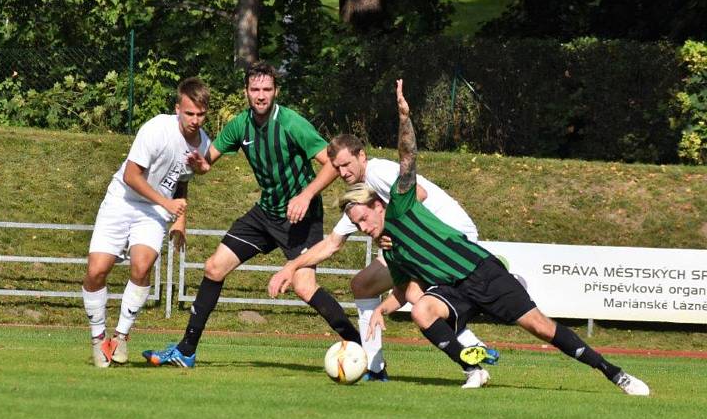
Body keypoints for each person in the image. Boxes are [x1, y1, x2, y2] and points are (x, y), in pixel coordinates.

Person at [338, 78, 650, 395]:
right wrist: (382, 309)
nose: (363, 228)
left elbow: (407, 159)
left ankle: (615, 374)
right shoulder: (390, 251)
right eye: (357, 225)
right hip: (454, 289)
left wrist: (405, 118)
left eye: (363, 218)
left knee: (541, 328)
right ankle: (473, 369)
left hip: (481, 272)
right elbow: (408, 291)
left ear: (378, 205)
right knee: (423, 310)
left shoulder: (400, 205)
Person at [143, 61, 361, 367]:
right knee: (214, 267)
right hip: (266, 212)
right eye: (255, 89)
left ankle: (359, 348)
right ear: (246, 91)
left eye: (267, 89)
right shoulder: (239, 125)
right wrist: (198, 164)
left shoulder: (291, 123)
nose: (261, 95)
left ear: (276, 91)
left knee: (303, 286)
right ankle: (186, 350)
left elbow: (333, 162)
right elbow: (207, 163)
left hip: (301, 217)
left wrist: (306, 194)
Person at [268, 133, 497, 381]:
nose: (342, 172)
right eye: (336, 167)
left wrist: (390, 227)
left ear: (362, 156)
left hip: (450, 235)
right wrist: (291, 267)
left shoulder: (377, 172)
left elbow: (418, 194)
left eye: (347, 164)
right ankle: (375, 367)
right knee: (364, 285)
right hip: (420, 242)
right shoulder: (360, 199)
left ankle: (472, 351)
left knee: (415, 296)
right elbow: (332, 244)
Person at [82, 77, 212, 368]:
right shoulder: (156, 129)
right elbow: (131, 176)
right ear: (178, 108)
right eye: (189, 113)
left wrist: (180, 221)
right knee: (96, 270)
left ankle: (120, 338)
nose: (194, 120)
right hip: (122, 200)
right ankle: (97, 338)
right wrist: (167, 204)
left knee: (142, 266)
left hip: (154, 211)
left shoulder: (203, 144)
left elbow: (181, 181)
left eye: (200, 114)